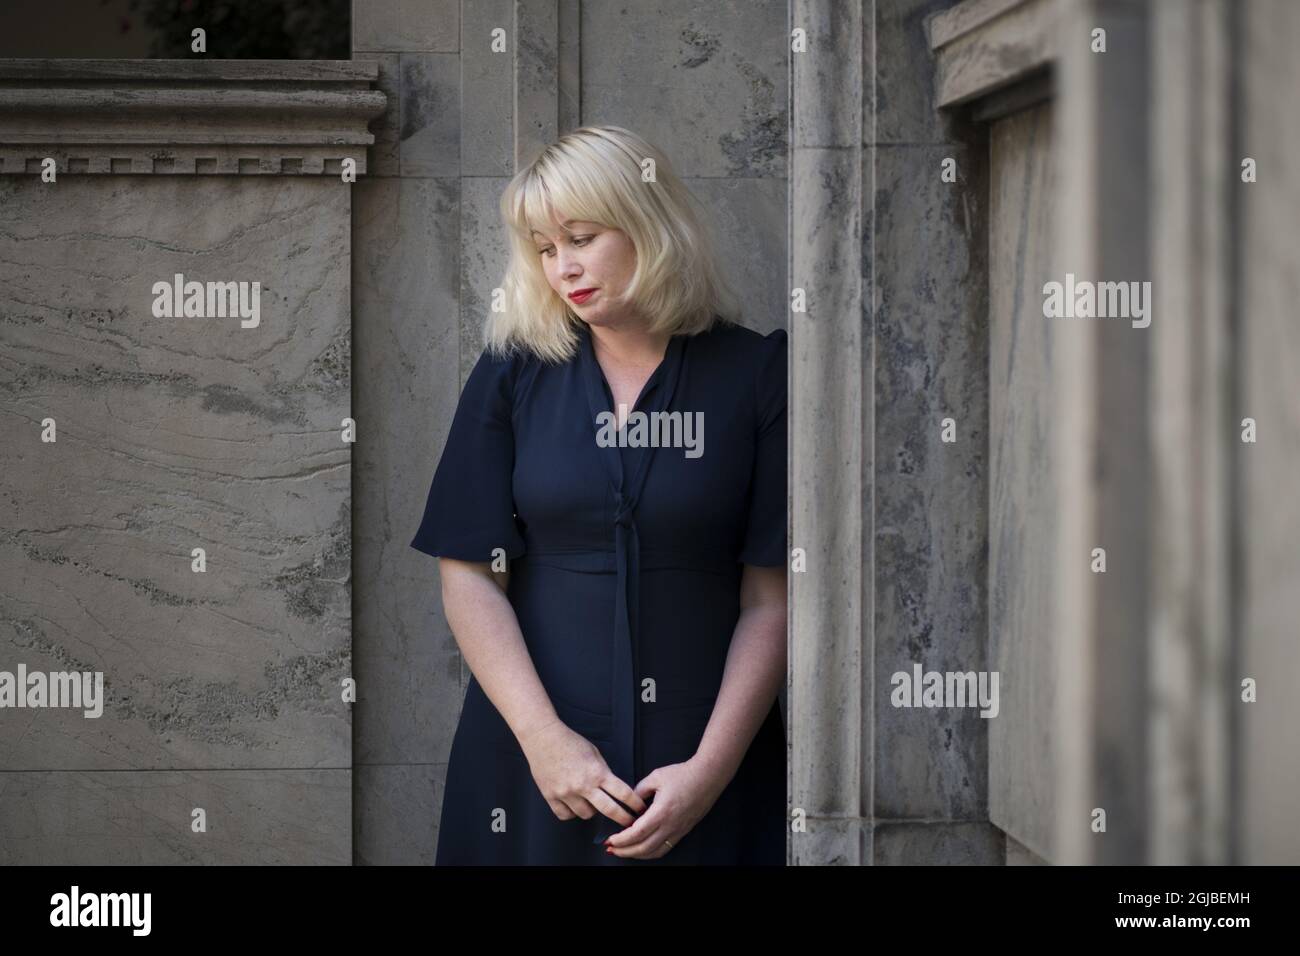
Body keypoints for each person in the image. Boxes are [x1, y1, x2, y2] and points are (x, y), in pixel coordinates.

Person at [410, 125, 788, 864]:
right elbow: (467, 574)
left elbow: (771, 599)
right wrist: (545, 741)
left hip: (701, 766)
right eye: (545, 249)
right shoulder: (513, 372)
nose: (563, 268)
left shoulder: (757, 375)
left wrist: (709, 775)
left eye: (581, 237)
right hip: (530, 760)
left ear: (648, 225)